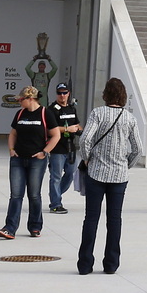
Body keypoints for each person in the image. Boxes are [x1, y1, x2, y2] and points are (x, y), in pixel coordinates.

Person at [75, 76, 145, 275]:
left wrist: (87, 159)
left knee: (91, 218)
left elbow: (85, 140)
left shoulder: (97, 113)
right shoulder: (129, 118)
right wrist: (126, 165)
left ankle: (85, 264)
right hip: (119, 176)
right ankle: (111, 264)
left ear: (105, 94)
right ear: (123, 96)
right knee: (114, 219)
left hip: (96, 173)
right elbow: (138, 149)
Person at [0, 85, 59, 240]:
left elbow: (56, 135)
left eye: (21, 100)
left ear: (30, 99)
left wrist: (45, 152)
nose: (19, 102)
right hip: (18, 159)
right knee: (16, 195)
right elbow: (13, 133)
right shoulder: (20, 114)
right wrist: (11, 149)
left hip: (36, 160)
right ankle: (10, 228)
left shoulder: (45, 113)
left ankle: (35, 226)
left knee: (34, 194)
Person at [46, 81, 83, 213]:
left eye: (64, 93)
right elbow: (49, 130)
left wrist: (79, 130)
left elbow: (77, 125)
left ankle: (55, 194)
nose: (62, 96)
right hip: (56, 148)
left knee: (71, 174)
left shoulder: (72, 108)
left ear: (68, 93)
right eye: (59, 93)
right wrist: (67, 129)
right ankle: (55, 204)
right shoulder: (51, 110)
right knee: (56, 177)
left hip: (70, 147)